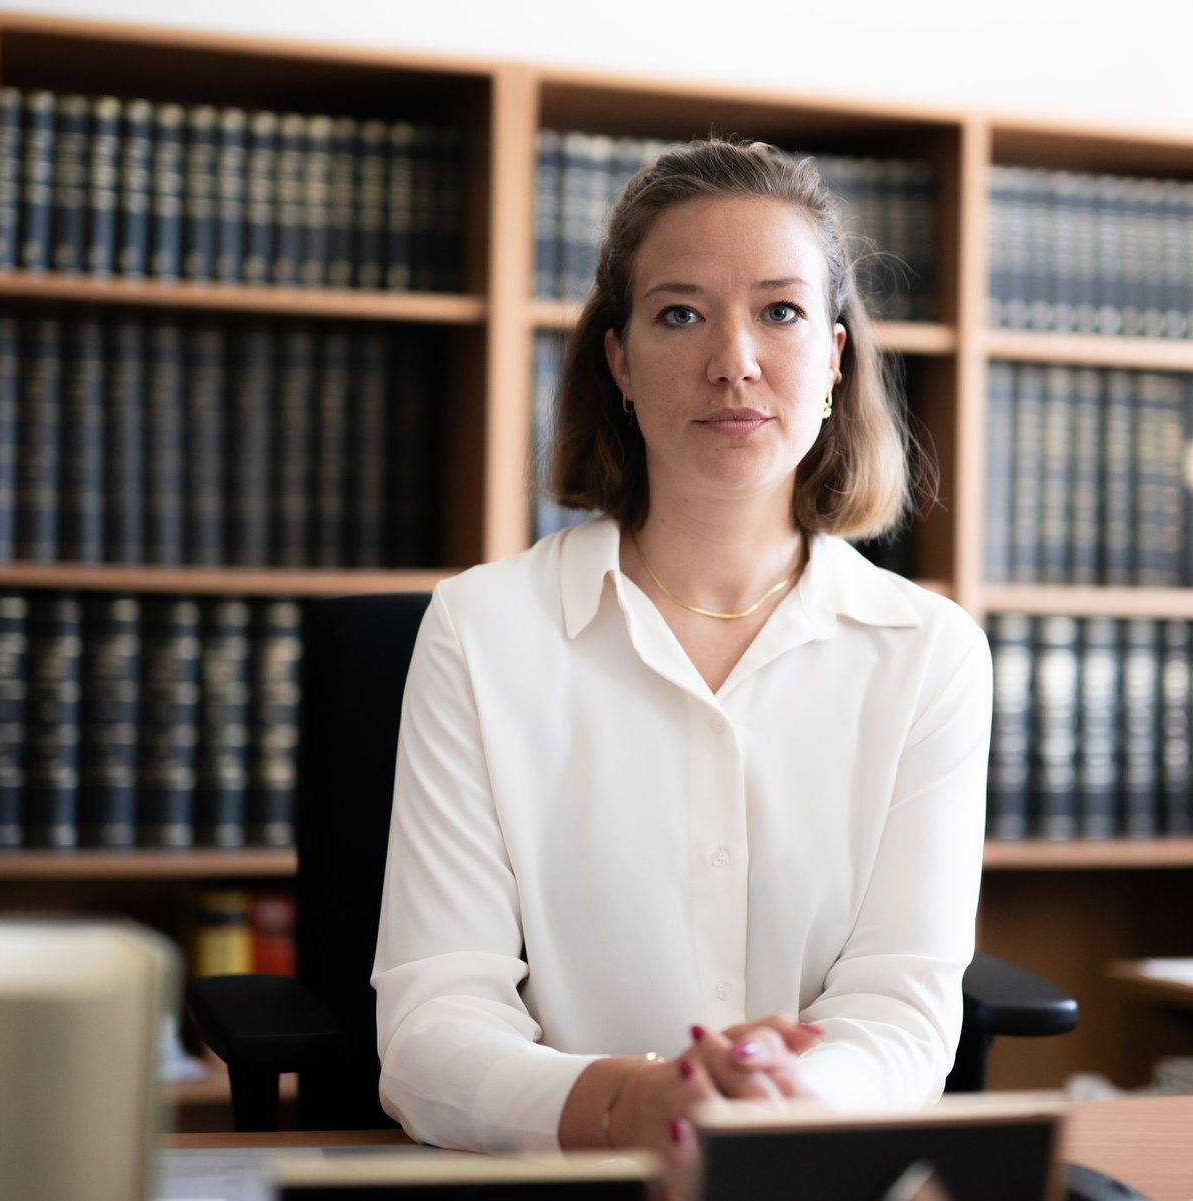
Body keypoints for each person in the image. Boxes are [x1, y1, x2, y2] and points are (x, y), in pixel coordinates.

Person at [371, 138, 993, 1168]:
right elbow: (432, 1024)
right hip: (567, 1179)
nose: (734, 360)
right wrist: (630, 1102)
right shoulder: (481, 632)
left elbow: (900, 1012)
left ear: (835, 358)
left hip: (811, 1177)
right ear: (618, 360)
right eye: (679, 312)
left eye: (781, 311)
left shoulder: (929, 655)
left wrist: (772, 1105)